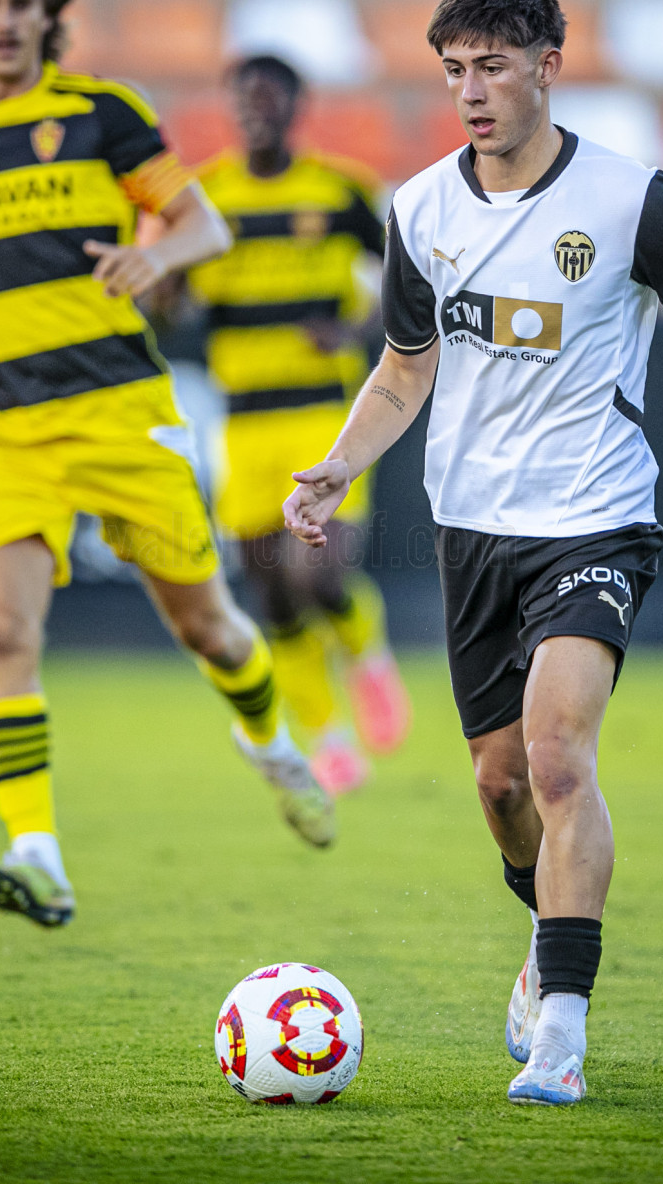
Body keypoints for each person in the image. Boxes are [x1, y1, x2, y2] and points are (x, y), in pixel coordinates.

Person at [283, 0, 663, 1104]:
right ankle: (543, 926)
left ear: (548, 66)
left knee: (558, 756)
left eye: (493, 67)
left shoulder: (627, 200)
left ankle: (561, 1027)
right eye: (453, 70)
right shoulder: (420, 210)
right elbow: (405, 368)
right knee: (501, 785)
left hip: (597, 518)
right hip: (471, 532)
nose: (471, 92)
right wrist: (340, 465)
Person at [0, 0, 335, 931]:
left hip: (119, 415)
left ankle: (271, 741)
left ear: (49, 14)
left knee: (207, 627)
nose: (5, 20)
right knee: (2, 629)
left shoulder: (102, 114)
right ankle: (38, 854)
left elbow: (202, 222)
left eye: (22, 3)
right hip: (4, 427)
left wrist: (157, 256)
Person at [179, 54, 411, 795]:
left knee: (319, 575)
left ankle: (366, 651)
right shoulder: (205, 200)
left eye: (270, 96)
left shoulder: (339, 192)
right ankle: (330, 739)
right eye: (244, 98)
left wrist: (353, 330)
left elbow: (407, 280)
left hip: (321, 415)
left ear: (294, 106)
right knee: (274, 594)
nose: (257, 109)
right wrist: (159, 276)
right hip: (243, 425)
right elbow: (167, 300)